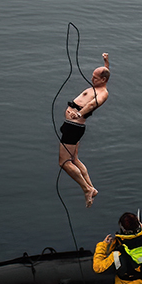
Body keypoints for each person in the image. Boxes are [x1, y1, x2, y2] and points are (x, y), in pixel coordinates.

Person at [59, 52, 109, 207]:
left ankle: (86, 189)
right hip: (73, 127)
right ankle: (91, 188)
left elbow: (92, 104)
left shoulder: (103, 93)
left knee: (64, 163)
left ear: (103, 80)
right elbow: (106, 72)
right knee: (74, 159)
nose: (92, 79)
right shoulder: (101, 81)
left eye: (95, 78)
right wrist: (106, 62)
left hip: (74, 127)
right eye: (92, 76)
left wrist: (79, 113)